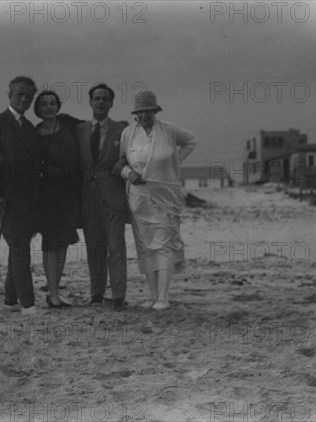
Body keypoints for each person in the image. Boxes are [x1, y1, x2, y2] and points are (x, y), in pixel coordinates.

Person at [115, 91, 196, 310]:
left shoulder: (169, 130)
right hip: (139, 198)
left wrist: (176, 162)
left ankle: (163, 296)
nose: (143, 116)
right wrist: (127, 173)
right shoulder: (128, 133)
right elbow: (121, 161)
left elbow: (190, 141)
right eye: (139, 112)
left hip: (165, 197)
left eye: (147, 111)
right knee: (145, 247)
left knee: (164, 244)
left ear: (154, 111)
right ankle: (152, 295)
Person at [0, 76, 42, 315]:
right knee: (19, 248)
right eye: (19, 95)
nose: (24, 99)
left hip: (30, 200)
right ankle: (28, 305)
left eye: (28, 96)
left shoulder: (29, 128)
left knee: (19, 246)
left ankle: (10, 300)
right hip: (7, 199)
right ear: (9, 96)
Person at [75, 83, 128, 311]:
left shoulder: (122, 129)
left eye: (105, 99)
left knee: (116, 247)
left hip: (113, 197)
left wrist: (123, 162)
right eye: (96, 98)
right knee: (94, 247)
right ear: (90, 102)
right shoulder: (79, 130)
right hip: (88, 198)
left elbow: (132, 153)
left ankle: (118, 296)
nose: (100, 102)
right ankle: (96, 294)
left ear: (111, 103)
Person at [33, 90, 83, 309]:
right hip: (47, 196)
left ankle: (55, 291)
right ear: (38, 109)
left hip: (69, 193)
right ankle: (52, 293)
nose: (49, 107)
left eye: (53, 103)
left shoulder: (68, 124)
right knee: (50, 244)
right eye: (44, 104)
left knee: (63, 242)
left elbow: (90, 127)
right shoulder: (35, 132)